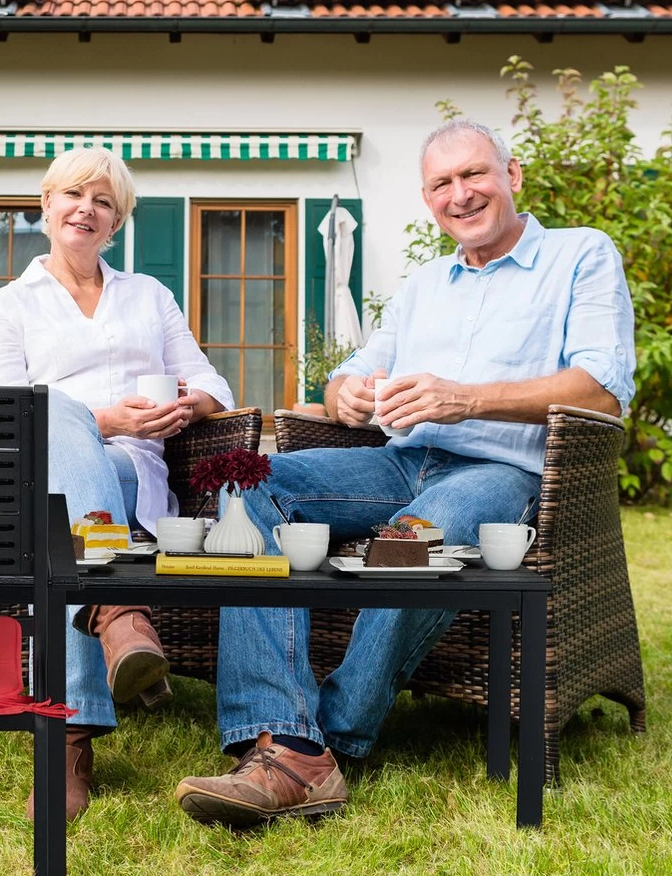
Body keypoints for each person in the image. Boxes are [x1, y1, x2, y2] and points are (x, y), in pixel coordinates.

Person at [176, 119, 636, 827]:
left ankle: (314, 741)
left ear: (511, 178)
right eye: (442, 184)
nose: (461, 194)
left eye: (474, 174)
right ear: (429, 200)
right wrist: (346, 396)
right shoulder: (424, 284)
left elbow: (602, 390)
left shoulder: (580, 256)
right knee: (245, 479)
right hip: (396, 460)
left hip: (499, 470)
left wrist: (468, 399)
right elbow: (350, 378)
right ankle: (288, 732)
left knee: (419, 537)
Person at [0, 148, 232, 819]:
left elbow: (213, 383)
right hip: (36, 478)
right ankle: (113, 612)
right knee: (48, 409)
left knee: (72, 519)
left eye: (103, 201)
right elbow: (4, 412)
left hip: (133, 474)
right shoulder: (9, 306)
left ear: (115, 222)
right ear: (47, 206)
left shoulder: (148, 295)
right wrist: (102, 416)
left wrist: (188, 407)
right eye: (73, 195)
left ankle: (67, 742)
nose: (86, 209)